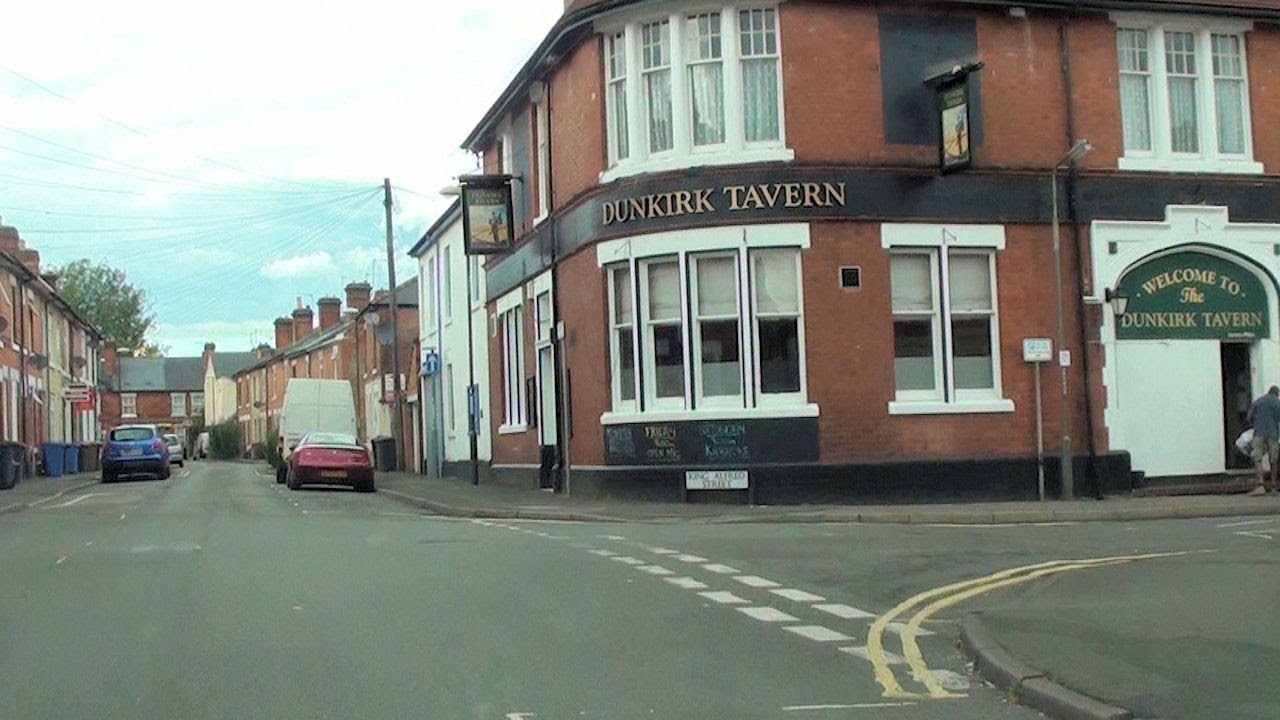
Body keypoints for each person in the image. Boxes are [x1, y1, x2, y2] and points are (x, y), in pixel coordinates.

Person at [1246, 385, 1280, 495]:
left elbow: (1249, 417)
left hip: (1259, 433)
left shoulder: (1258, 401)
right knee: (1273, 460)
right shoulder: (1277, 403)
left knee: (1257, 459)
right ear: (1277, 393)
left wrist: (1255, 425)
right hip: (1273, 434)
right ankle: (1274, 486)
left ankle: (1260, 485)